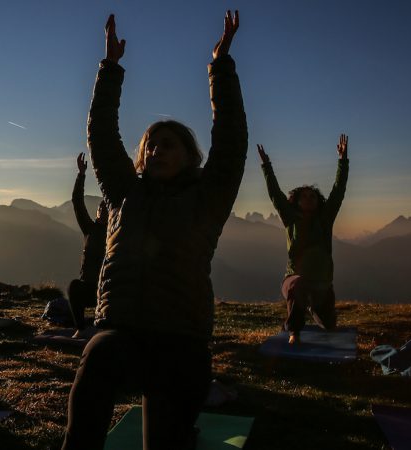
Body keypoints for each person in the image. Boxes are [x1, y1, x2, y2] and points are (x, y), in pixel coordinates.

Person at [62, 12, 248, 450]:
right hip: (120, 332)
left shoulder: (209, 196)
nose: (158, 149)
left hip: (181, 342)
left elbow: (232, 138)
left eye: (170, 144)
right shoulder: (123, 191)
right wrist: (109, 67)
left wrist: (221, 66)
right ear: (140, 156)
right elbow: (102, 134)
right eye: (152, 144)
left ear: (189, 155)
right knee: (98, 358)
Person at [257, 136, 349, 345]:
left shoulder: (325, 220)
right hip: (294, 278)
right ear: (296, 201)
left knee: (329, 326)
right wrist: (266, 166)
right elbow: (274, 194)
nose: (309, 198)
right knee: (298, 285)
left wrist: (342, 161)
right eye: (304, 196)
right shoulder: (290, 219)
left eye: (313, 196)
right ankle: (294, 332)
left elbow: (338, 191)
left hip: (321, 283)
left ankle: (312, 308)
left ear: (319, 202)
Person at [67, 152, 107, 339]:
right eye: (101, 208)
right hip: (89, 288)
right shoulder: (89, 229)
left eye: (107, 208)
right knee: (74, 286)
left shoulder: (118, 232)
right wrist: (81, 174)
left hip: (110, 290)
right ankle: (82, 328)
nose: (103, 211)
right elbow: (77, 202)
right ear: (98, 212)